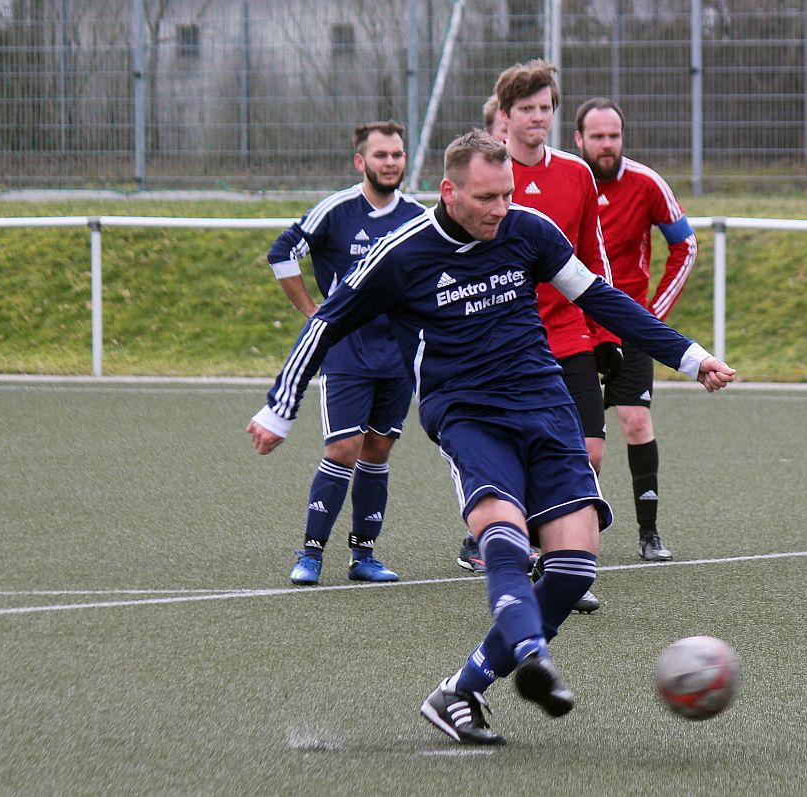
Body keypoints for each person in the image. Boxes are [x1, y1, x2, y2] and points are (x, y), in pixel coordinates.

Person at [247, 131, 735, 745]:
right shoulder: (401, 255)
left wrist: (690, 357)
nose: (500, 208)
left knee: (574, 567)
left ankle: (462, 689)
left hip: (546, 405)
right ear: (449, 191)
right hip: (467, 413)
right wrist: (280, 408)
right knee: (501, 533)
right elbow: (326, 322)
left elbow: (603, 300)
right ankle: (531, 654)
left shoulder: (529, 229)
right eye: (486, 197)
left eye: (506, 194)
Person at [452, 61, 614, 617]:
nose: (538, 117)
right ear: (504, 115)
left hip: (567, 334)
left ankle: (561, 563)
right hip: (506, 340)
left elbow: (593, 260)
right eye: (527, 109)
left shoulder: (575, 174)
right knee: (512, 451)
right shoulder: (488, 176)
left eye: (546, 107)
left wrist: (607, 332)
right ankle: (503, 538)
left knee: (590, 449)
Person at [264, 121, 424, 585]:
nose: (390, 162)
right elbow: (282, 252)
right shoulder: (336, 211)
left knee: (377, 450)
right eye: (381, 155)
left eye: (397, 154)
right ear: (361, 161)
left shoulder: (417, 215)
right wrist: (314, 313)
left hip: (397, 354)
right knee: (343, 447)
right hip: (347, 350)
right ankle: (311, 553)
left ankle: (364, 557)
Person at [573, 97, 698, 562]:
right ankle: (564, 534)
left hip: (628, 325)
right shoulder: (569, 181)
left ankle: (649, 532)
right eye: (598, 136)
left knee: (636, 421)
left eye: (614, 136)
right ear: (578, 139)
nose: (607, 145)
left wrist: (652, 316)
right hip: (574, 328)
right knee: (580, 443)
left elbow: (684, 245)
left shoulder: (647, 183)